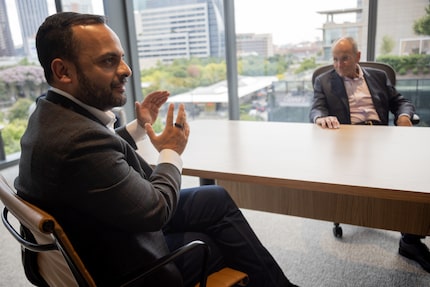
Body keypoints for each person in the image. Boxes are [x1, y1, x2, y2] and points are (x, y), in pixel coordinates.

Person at [14, 12, 298, 287]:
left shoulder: (50, 114)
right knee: (217, 242)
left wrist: (139, 127)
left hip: (101, 229)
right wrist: (171, 152)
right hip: (127, 268)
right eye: (109, 61)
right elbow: (157, 210)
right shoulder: (77, 144)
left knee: (215, 198)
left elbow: (99, 151)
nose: (126, 70)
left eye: (122, 58)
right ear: (63, 71)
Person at [309, 36, 430, 273]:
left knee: (417, 177)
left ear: (357, 57)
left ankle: (410, 241)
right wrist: (320, 117)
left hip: (382, 139)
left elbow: (400, 102)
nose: (339, 64)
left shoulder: (378, 76)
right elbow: (316, 107)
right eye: (334, 59)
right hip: (348, 143)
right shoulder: (324, 81)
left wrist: (404, 116)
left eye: (344, 58)